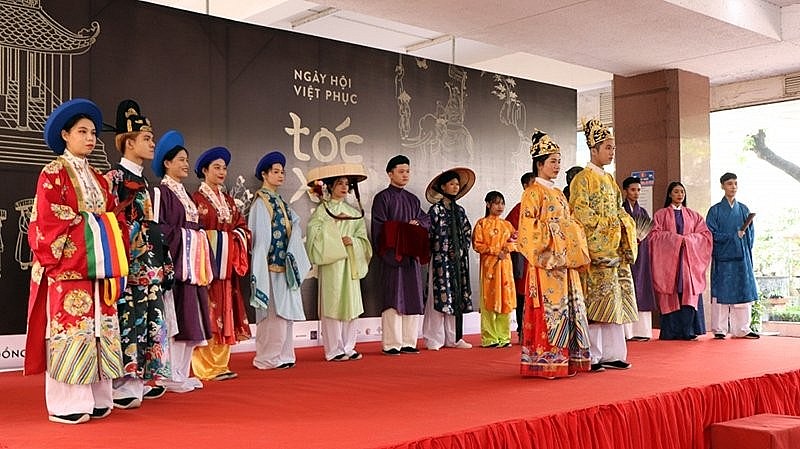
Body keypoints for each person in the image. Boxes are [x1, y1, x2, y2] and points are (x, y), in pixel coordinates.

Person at [26, 98, 126, 423]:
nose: (90, 138)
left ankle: (98, 397)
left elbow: (114, 218)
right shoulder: (52, 174)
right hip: (70, 269)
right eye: (82, 131)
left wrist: (106, 230)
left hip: (98, 269)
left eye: (93, 132)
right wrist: (99, 229)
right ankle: (68, 403)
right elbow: (49, 221)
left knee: (100, 329)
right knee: (74, 328)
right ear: (65, 135)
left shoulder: (99, 178)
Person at [106, 99, 171, 408]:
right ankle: (122, 381)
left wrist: (162, 259)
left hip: (150, 265)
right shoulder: (114, 179)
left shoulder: (148, 184)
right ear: (128, 142)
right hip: (128, 264)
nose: (152, 144)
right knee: (128, 317)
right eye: (146, 138)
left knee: (150, 318)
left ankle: (144, 375)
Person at [518, 130, 591, 378]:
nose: (557, 166)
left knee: (567, 310)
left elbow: (571, 222)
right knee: (550, 311)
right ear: (539, 164)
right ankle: (546, 360)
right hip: (545, 265)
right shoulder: (532, 193)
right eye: (552, 161)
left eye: (559, 161)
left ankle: (566, 359)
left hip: (564, 264)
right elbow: (528, 231)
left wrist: (570, 231)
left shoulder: (559, 194)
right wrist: (561, 232)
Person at [569, 119, 637, 371]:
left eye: (612, 148)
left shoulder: (609, 180)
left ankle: (613, 354)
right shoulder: (582, 180)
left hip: (613, 251)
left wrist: (623, 226)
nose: (611, 152)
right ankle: (593, 355)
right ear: (593, 149)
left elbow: (620, 211)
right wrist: (609, 230)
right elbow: (580, 214)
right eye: (607, 147)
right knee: (595, 304)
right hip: (596, 252)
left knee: (614, 303)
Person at [152, 130, 213, 392]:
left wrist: (197, 238)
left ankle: (182, 372)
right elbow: (159, 230)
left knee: (191, 319)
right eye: (180, 159)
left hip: (192, 268)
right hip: (176, 267)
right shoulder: (162, 193)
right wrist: (191, 237)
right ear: (167, 163)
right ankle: (170, 375)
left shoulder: (186, 194)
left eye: (187, 159)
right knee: (176, 320)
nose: (186, 164)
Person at [190, 147, 252, 380]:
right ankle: (205, 367)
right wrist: (218, 240)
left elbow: (243, 227)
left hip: (226, 267)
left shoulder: (229, 201)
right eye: (216, 167)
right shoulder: (196, 200)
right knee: (207, 312)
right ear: (204, 170)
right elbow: (195, 232)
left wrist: (234, 238)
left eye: (224, 168)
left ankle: (221, 364)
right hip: (207, 267)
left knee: (226, 311)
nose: (222, 172)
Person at [250, 151, 311, 369]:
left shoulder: (281, 202)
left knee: (285, 314)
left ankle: (284, 355)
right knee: (272, 313)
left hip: (285, 266)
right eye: (276, 172)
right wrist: (259, 266)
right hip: (269, 265)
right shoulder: (261, 202)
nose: (281, 175)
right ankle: (267, 357)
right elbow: (260, 237)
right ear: (264, 175)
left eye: (282, 172)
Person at [305, 164, 372, 361]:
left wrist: (354, 242)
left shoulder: (353, 211)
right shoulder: (322, 211)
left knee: (350, 305)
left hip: (350, 261)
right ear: (330, 186)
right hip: (332, 263)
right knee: (332, 304)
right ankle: (334, 349)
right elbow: (313, 236)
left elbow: (363, 238)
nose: (344, 187)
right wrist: (334, 231)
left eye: (346, 184)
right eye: (339, 183)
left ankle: (349, 346)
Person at [371, 155, 431, 355]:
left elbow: (425, 220)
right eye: (401, 171)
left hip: (410, 257)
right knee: (393, 298)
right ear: (390, 174)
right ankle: (391, 343)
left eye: (407, 171)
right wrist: (401, 232)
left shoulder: (413, 199)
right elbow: (379, 228)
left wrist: (418, 224)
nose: (405, 175)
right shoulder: (383, 198)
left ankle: (409, 342)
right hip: (393, 257)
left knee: (412, 297)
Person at [649, 181, 712, 340]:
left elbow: (705, 236)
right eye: (676, 192)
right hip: (668, 262)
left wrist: (689, 240)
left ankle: (688, 330)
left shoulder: (693, 215)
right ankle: (670, 331)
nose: (680, 195)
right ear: (670, 194)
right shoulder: (660, 215)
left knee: (687, 292)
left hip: (688, 261)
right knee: (670, 292)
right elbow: (654, 236)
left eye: (682, 192)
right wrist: (676, 240)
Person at [423, 168, 475, 350]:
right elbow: (428, 234)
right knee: (438, 299)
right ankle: (433, 338)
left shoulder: (460, 211)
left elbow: (467, 233)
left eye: (457, 184)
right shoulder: (435, 210)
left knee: (456, 297)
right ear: (443, 187)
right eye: (451, 184)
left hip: (458, 262)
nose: (455, 187)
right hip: (440, 261)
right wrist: (442, 250)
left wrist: (460, 250)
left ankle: (454, 338)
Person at [706, 173, 760, 339]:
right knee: (721, 292)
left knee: (742, 290)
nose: (733, 187)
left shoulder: (743, 209)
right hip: (723, 256)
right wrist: (733, 237)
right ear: (722, 186)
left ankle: (742, 328)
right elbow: (710, 234)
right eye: (729, 184)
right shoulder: (714, 210)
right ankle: (719, 329)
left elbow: (750, 234)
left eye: (735, 184)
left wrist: (742, 241)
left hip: (741, 258)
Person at [472, 191, 517, 348]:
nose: (500, 206)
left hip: (505, 267)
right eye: (496, 203)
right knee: (489, 301)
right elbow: (477, 244)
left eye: (502, 203)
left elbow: (517, 241)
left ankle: (504, 337)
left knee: (505, 301)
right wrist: (495, 250)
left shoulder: (507, 225)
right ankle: (489, 337)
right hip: (489, 267)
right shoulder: (482, 224)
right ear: (488, 204)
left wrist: (507, 248)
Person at [621, 176, 656, 341]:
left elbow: (649, 233)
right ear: (625, 191)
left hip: (641, 254)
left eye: (638, 190)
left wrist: (641, 240)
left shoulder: (643, 212)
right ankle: (627, 332)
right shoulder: (621, 210)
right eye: (633, 189)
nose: (636, 193)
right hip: (625, 255)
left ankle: (642, 331)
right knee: (627, 288)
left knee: (641, 287)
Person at [504, 172, 534, 342]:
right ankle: (522, 329)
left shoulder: (544, 206)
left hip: (539, 258)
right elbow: (510, 231)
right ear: (524, 186)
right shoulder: (519, 208)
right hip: (523, 258)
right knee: (522, 294)